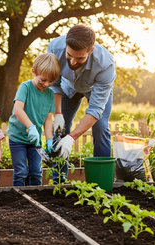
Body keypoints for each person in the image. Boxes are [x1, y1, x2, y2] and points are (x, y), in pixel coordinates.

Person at [47, 24, 116, 181]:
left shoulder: (106, 64)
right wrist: (58, 114)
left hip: (94, 89)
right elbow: (55, 85)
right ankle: (59, 181)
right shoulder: (54, 48)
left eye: (79, 58)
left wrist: (72, 138)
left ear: (90, 50)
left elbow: (96, 110)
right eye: (69, 55)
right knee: (60, 127)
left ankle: (101, 182)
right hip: (67, 87)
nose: (72, 62)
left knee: (100, 126)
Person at [7, 53, 60, 186]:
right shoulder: (25, 88)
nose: (46, 84)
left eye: (50, 81)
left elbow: (48, 119)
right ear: (34, 72)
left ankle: (36, 199)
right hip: (17, 138)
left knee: (36, 171)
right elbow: (18, 110)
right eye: (43, 80)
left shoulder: (50, 94)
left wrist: (49, 139)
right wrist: (30, 127)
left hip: (34, 141)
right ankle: (18, 198)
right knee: (21, 172)